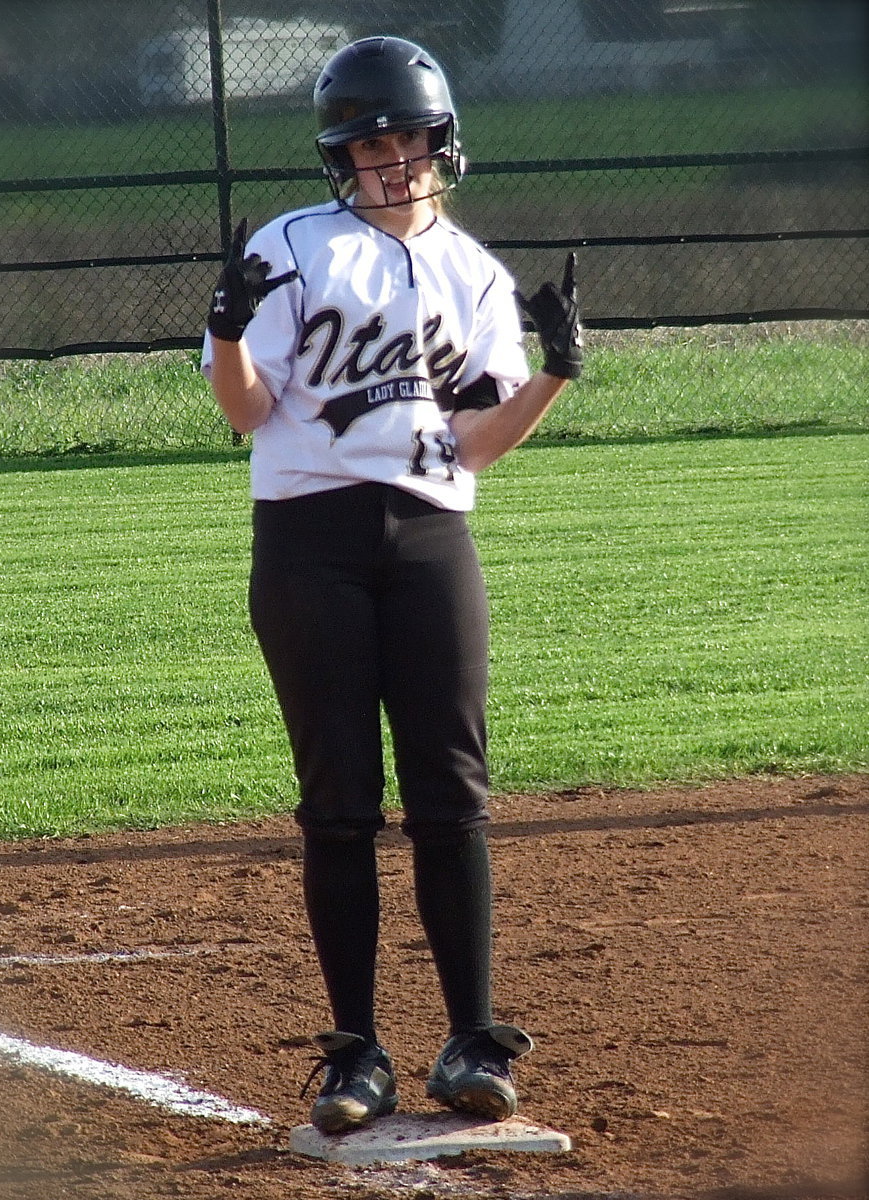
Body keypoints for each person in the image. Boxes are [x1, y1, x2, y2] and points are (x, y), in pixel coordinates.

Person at [202, 35, 582, 1135]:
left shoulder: (469, 271)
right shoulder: (292, 246)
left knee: (451, 796)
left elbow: (473, 439)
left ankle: (471, 1036)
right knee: (337, 808)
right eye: (368, 141)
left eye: (408, 135)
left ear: (440, 141)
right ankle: (355, 1051)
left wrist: (553, 375)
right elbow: (243, 412)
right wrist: (228, 333)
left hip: (429, 541)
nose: (391, 157)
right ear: (339, 155)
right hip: (308, 540)